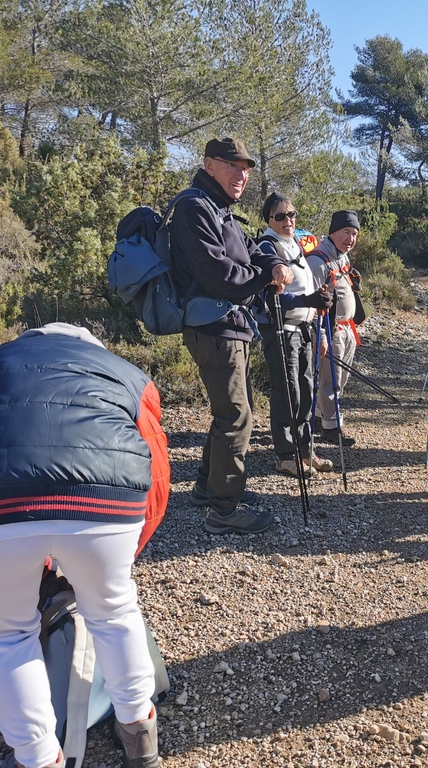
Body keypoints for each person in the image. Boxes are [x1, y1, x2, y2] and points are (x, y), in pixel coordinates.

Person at [0, 323, 169, 768]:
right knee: (113, 612)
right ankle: (139, 734)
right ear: (91, 346)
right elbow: (154, 467)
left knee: (7, 634)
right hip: (103, 498)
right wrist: (120, 557)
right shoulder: (124, 372)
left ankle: (38, 757)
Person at [169, 137, 293, 535]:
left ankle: (209, 488)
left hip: (230, 326)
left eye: (246, 169)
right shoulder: (194, 208)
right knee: (236, 417)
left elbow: (255, 249)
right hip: (214, 327)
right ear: (209, 165)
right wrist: (266, 277)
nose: (241, 175)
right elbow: (218, 275)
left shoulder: (220, 209)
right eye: (232, 166)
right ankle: (224, 510)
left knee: (233, 411)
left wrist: (272, 262)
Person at [254, 192, 335, 478]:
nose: (288, 220)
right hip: (281, 331)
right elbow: (269, 298)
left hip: (304, 329)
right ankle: (285, 456)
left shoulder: (294, 244)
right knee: (288, 393)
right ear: (269, 220)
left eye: (292, 214)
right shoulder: (267, 247)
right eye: (281, 216)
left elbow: (302, 287)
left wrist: (319, 300)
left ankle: (305, 450)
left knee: (307, 391)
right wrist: (306, 301)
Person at [308, 210, 363, 447]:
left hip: (346, 329)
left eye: (354, 234)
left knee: (339, 379)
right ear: (333, 232)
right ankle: (332, 428)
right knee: (331, 381)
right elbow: (312, 304)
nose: (350, 239)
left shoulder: (342, 258)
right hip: (330, 331)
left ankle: (320, 419)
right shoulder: (318, 261)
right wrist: (320, 335)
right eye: (346, 232)